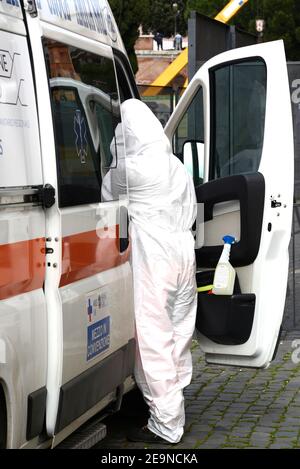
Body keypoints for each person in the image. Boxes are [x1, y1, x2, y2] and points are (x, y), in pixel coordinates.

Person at [118, 99, 197, 445]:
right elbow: (191, 207)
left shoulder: (129, 171)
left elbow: (104, 198)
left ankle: (166, 425)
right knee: (178, 335)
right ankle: (176, 406)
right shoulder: (175, 165)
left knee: (153, 342)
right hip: (183, 251)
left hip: (155, 258)